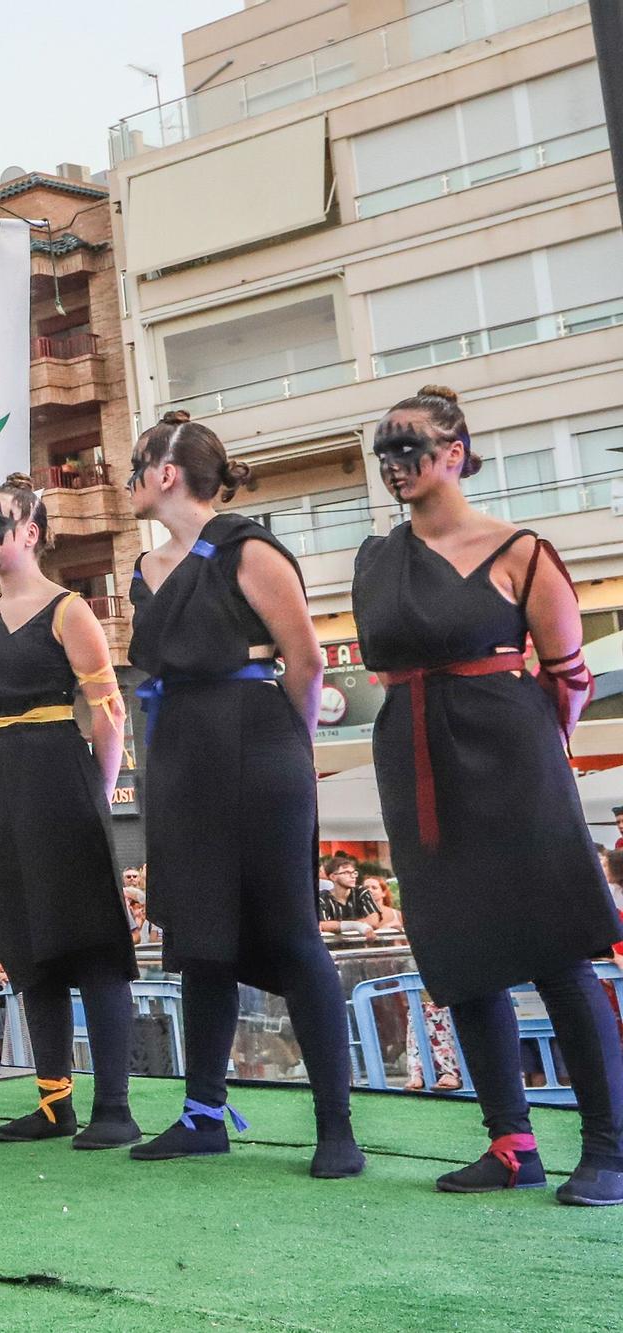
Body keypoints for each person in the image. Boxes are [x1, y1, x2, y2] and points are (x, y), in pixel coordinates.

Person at [354, 384, 621, 1203]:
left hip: (515, 753)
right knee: (461, 955)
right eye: (386, 452)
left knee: (556, 952)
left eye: (412, 448)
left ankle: (611, 1146)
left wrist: (537, 753)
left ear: (456, 452)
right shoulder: (375, 556)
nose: (397, 464)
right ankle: (511, 1143)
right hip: (414, 751)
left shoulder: (521, 550)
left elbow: (570, 678)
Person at [121, 411, 363, 1177]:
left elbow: (306, 659)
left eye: (135, 464)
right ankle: (203, 1113)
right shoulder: (146, 569)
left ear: (166, 472)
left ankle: (337, 1126)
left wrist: (283, 748)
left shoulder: (247, 547)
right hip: (180, 751)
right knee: (199, 941)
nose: (125, 478)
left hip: (258, 742)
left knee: (292, 931)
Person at [0, 475, 141, 1149]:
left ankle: (114, 1105)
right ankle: (54, 1100)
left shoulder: (69, 611)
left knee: (91, 944)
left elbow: (109, 711)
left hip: (63, 778)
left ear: (31, 531)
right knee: (29, 948)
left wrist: (98, 793)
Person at [316, 855, 380, 934]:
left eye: (354, 873)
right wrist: (356, 925)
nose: (352, 876)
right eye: (346, 872)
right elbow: (322, 925)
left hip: (361, 943)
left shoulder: (361, 892)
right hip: (333, 945)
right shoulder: (322, 897)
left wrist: (339, 925)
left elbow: (373, 921)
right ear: (333, 877)